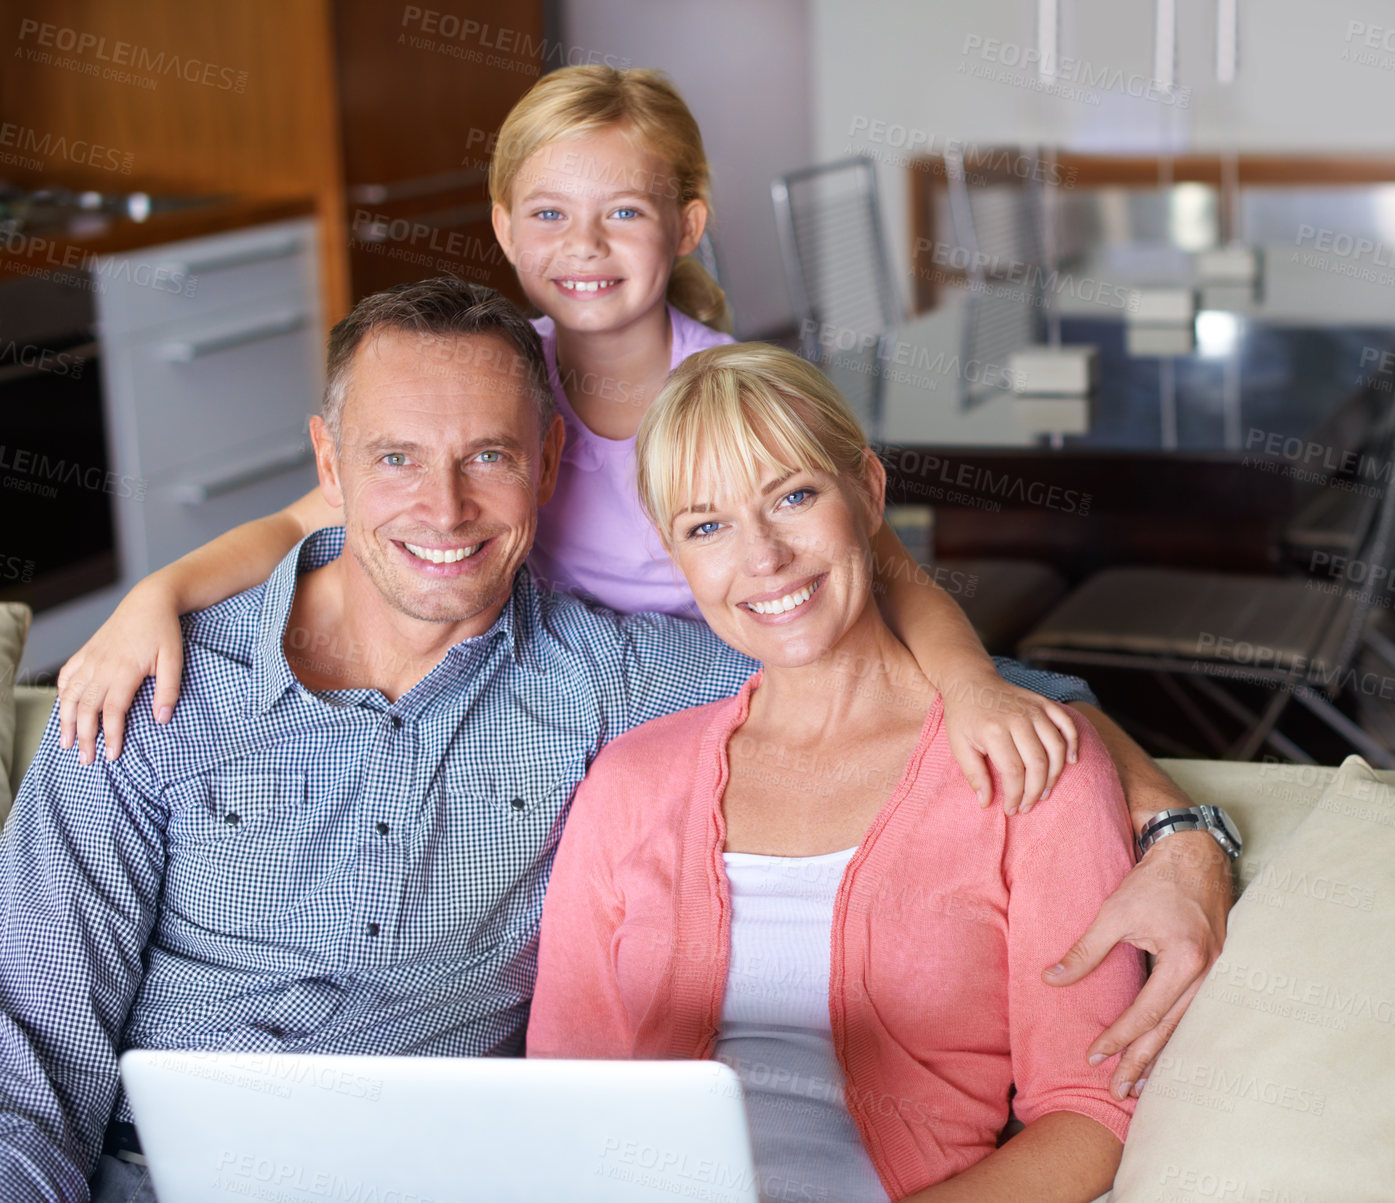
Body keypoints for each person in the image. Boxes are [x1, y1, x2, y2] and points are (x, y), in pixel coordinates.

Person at [54, 62, 1234, 1102]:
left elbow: (886, 601)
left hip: (702, 682)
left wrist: (1083, 763)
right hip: (588, 713)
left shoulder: (717, 401)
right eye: (553, 213)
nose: (586, 245)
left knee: (963, 700)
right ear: (507, 230)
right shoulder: (485, 383)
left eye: (623, 211)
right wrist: (151, 596)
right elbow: (298, 523)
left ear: (686, 227)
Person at [0, 280, 1104, 1203]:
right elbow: (25, 1059)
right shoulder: (148, 691)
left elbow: (950, 685)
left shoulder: (617, 680)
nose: (444, 509)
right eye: (395, 459)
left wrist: (1186, 830)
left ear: (551, 461)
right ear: (328, 463)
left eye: (488, 456)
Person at [530, 344, 1145, 1202]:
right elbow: (560, 1097)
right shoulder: (630, 780)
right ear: (677, 556)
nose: (764, 557)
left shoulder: (1027, 768)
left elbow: (1089, 1109)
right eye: (707, 526)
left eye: (793, 496)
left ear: (869, 491)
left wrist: (1190, 839)